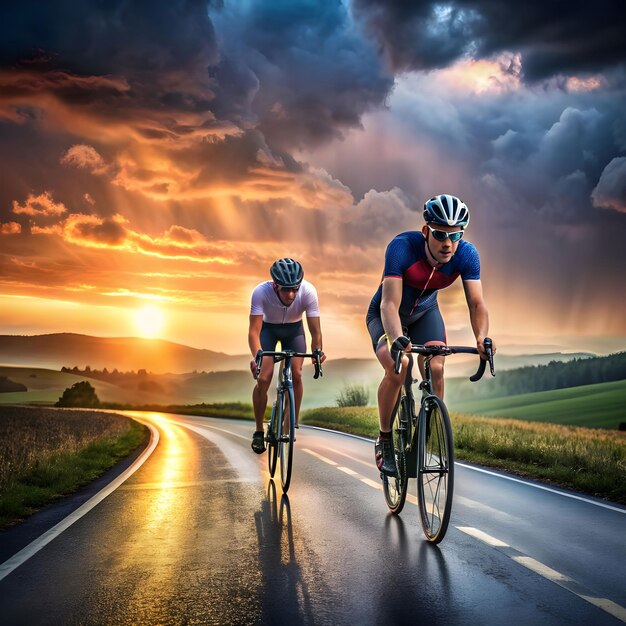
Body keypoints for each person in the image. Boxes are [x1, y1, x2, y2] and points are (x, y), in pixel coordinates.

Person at [366, 194, 496, 476]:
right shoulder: (402, 248)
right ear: (426, 231)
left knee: (436, 366)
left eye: (455, 235)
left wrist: (480, 338)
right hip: (387, 316)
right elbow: (389, 304)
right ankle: (385, 439)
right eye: (440, 235)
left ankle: (428, 430)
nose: (448, 243)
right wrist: (396, 338)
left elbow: (477, 303)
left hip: (426, 313)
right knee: (399, 367)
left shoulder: (467, 255)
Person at [248, 258, 326, 453]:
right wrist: (257, 355)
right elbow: (254, 332)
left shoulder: (308, 291)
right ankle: (259, 431)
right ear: (275, 285)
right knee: (264, 378)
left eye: (295, 289)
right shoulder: (260, 292)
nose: (291, 294)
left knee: (297, 374)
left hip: (294, 332)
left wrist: (317, 352)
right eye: (285, 289)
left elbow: (316, 332)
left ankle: (290, 423)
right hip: (269, 331)